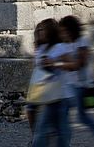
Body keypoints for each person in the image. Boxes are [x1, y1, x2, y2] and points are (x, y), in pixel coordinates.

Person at [59, 15, 94, 147]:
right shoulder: (66, 44)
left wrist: (65, 64)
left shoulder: (82, 41)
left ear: (70, 30)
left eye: (64, 30)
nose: (62, 34)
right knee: (70, 116)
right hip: (69, 86)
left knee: (72, 116)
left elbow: (80, 63)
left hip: (80, 86)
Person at [31, 18, 74, 147]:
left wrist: (55, 63)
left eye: (43, 30)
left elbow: (72, 64)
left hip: (60, 94)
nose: (40, 32)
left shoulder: (60, 48)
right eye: (38, 30)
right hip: (48, 94)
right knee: (51, 128)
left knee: (58, 129)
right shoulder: (41, 48)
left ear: (50, 31)